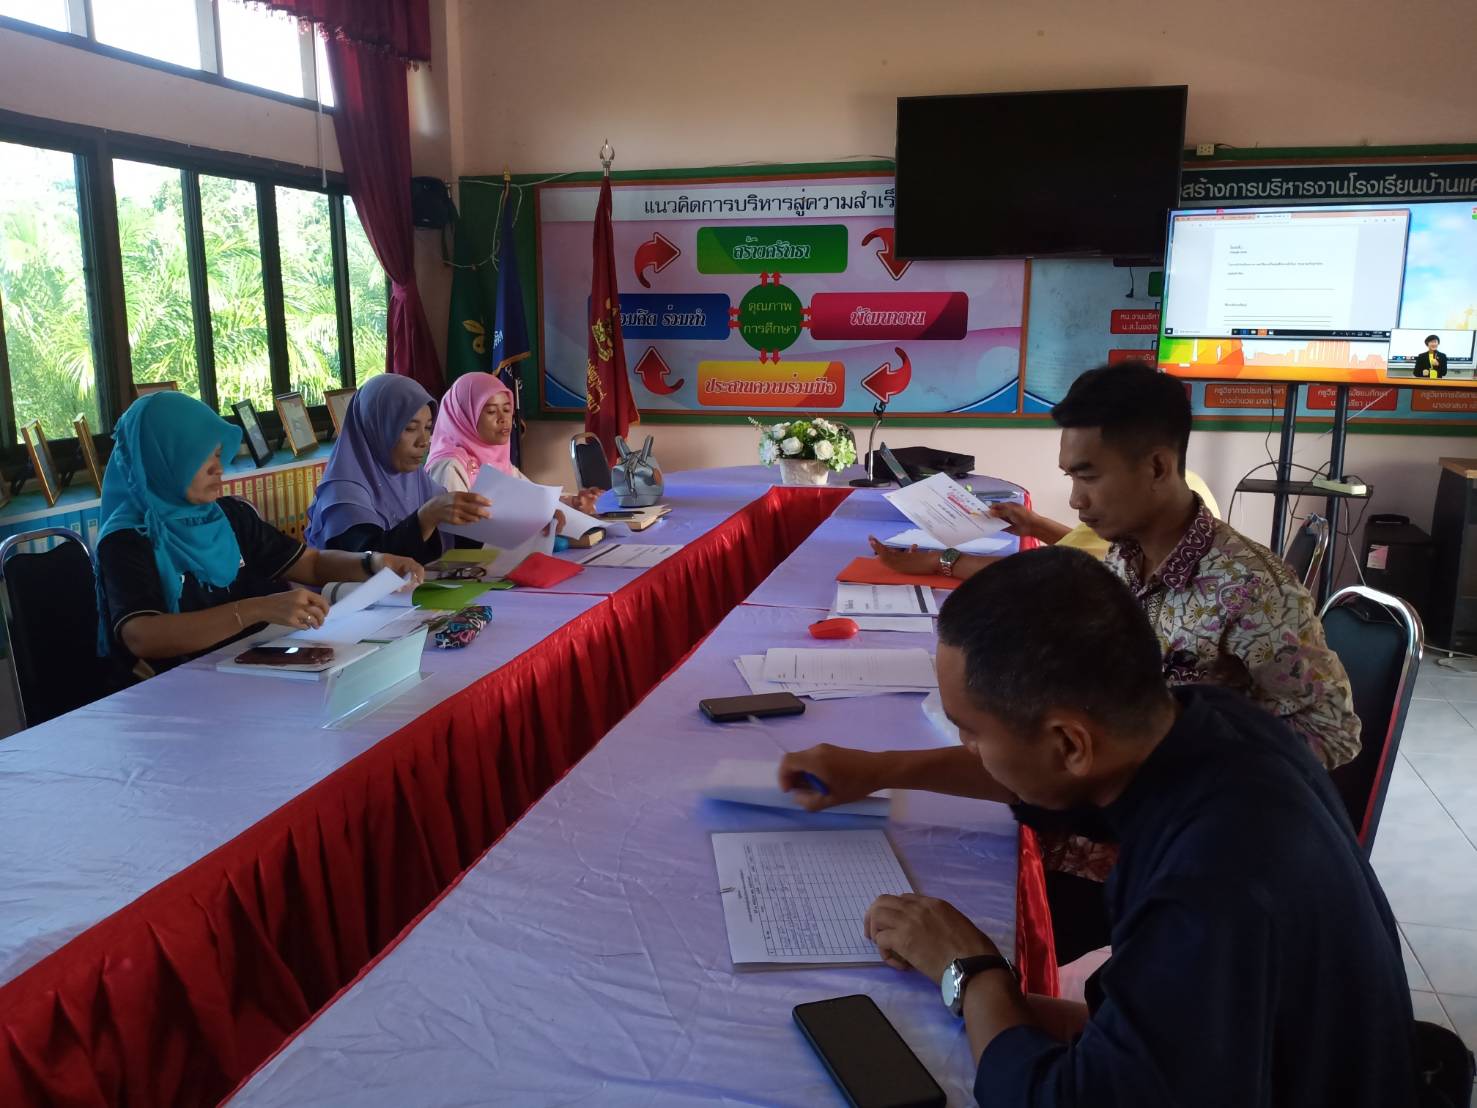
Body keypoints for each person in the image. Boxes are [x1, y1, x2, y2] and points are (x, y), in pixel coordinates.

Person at [783, 548, 1418, 1107]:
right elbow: (1038, 781)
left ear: (1070, 743)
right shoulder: (1213, 723)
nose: (968, 750)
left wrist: (970, 969)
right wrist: (881, 770)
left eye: (971, 732)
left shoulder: (1205, 886)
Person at [864, 362, 1359, 962]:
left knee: (960, 939)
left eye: (1089, 476)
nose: (1076, 499)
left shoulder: (1252, 591)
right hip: (1077, 809)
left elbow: (1334, 732)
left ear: (1157, 467)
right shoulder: (1122, 557)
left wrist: (1183, 764)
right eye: (1071, 477)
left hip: (1156, 854)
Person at [97, 391, 425, 677]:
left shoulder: (228, 516)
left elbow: (310, 564)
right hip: (175, 688)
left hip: (248, 669)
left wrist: (372, 562)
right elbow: (141, 635)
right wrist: (255, 610)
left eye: (217, 455)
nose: (217, 468)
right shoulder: (128, 539)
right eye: (199, 457)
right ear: (160, 459)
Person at [305, 373, 490, 561]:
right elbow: (369, 560)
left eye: (427, 427)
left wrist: (483, 521)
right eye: (410, 428)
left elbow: (447, 540)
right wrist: (426, 516)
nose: (423, 441)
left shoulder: (416, 479)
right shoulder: (342, 493)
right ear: (375, 428)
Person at [424, 371, 602, 517]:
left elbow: (534, 496)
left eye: (507, 409)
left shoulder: (497, 460)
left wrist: (574, 501)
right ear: (464, 416)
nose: (504, 419)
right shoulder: (450, 466)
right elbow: (458, 531)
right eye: (491, 411)